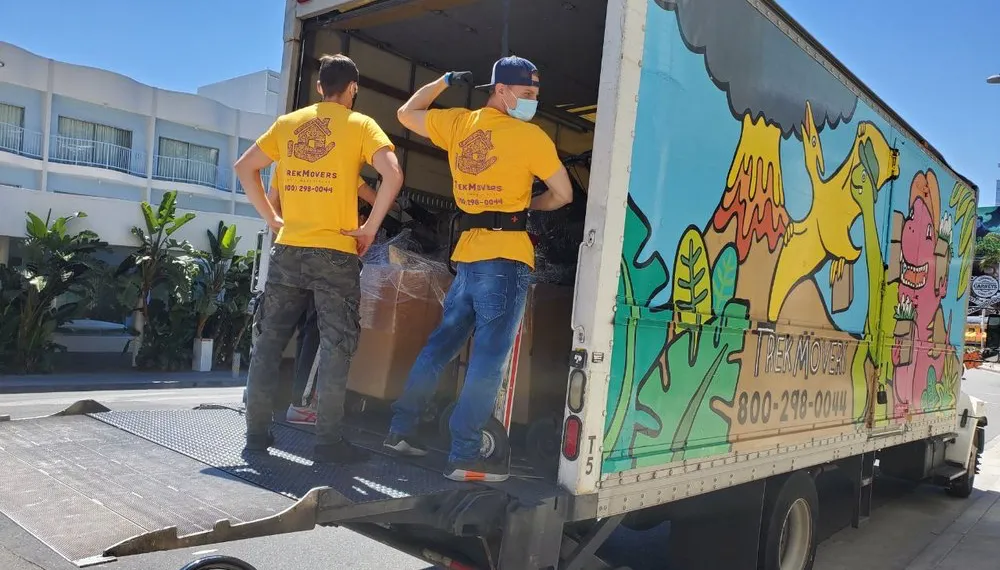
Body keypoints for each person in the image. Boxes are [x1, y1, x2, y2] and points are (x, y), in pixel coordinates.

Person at [386, 55, 573, 481]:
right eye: (527, 94)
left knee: (440, 348)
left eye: (535, 95)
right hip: (506, 259)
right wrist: (531, 204)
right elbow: (562, 194)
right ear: (501, 90)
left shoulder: (458, 124)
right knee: (488, 362)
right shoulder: (531, 138)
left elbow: (405, 112)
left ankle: (399, 430)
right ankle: (465, 454)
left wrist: (444, 80)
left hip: (467, 257)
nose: (532, 102)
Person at [235, 53, 403, 463]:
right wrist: (370, 227)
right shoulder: (361, 125)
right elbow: (393, 174)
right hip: (336, 253)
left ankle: (256, 435)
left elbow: (245, 167)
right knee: (335, 346)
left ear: (318, 87)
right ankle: (328, 442)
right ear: (353, 89)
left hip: (288, 250)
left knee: (269, 343)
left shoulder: (289, 124)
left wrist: (272, 217)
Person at [266, 171, 381, 426]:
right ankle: (302, 404)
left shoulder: (294, 164)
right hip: (330, 258)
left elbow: (271, 202)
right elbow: (378, 199)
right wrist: (366, 225)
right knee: (320, 333)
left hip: (293, 254)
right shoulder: (345, 171)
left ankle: (285, 401)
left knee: (299, 330)